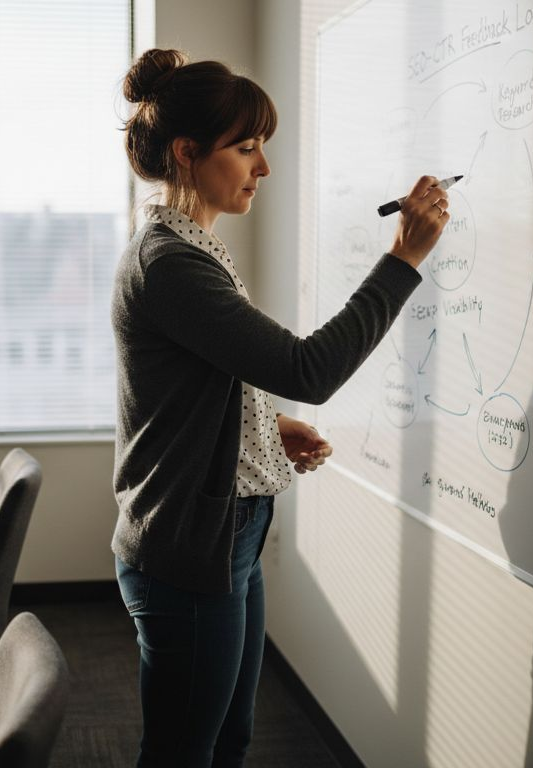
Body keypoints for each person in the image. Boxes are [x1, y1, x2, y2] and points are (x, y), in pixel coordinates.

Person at [111, 48, 449, 767]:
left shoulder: (190, 246)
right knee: (183, 753)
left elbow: (198, 381)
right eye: (247, 148)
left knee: (228, 739)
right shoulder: (171, 262)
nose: (264, 167)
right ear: (187, 152)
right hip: (191, 548)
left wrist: (265, 426)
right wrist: (403, 260)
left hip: (226, 535)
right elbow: (308, 368)